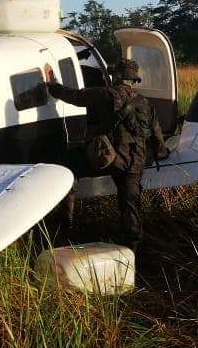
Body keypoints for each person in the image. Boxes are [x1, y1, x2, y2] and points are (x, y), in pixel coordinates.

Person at [45, 59, 167, 250]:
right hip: (134, 161)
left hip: (107, 157)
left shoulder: (105, 94)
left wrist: (52, 86)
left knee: (69, 168)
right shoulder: (146, 103)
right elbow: (158, 137)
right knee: (130, 206)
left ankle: (65, 227)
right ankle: (132, 249)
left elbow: (75, 97)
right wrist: (160, 153)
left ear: (116, 77)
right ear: (134, 81)